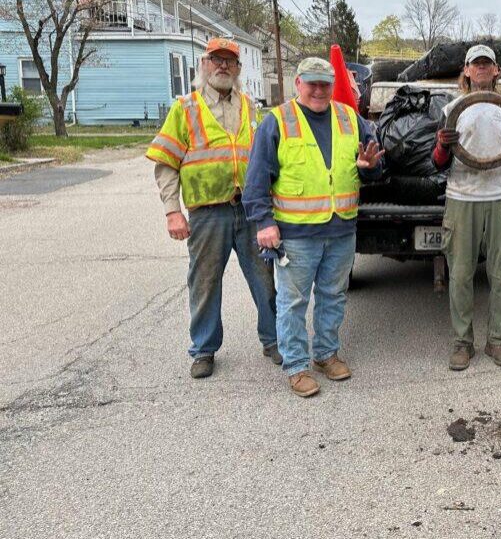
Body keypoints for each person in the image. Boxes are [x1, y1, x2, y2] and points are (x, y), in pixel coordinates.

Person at [243, 57, 383, 397]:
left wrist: (368, 168)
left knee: (333, 296)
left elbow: (375, 167)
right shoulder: (277, 121)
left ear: (333, 86)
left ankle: (325, 354)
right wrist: (264, 222)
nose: (319, 90)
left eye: (325, 83)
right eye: (312, 83)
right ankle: (296, 366)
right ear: (298, 84)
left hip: (340, 230)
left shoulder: (350, 118)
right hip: (296, 233)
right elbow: (256, 178)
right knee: (293, 302)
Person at [146, 37, 278, 379]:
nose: (223, 66)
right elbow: (165, 163)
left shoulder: (250, 107)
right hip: (207, 213)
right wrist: (172, 210)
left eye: (230, 61)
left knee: (265, 279)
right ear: (203, 65)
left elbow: (267, 159)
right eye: (216, 60)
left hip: (250, 211)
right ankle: (204, 349)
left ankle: (274, 340)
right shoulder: (185, 108)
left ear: (237, 69)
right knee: (204, 282)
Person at [432, 44, 501, 371]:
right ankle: (463, 343)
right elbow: (438, 162)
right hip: (462, 196)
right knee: (460, 273)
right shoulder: (453, 109)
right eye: (476, 64)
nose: (482, 69)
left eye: (488, 64)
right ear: (466, 70)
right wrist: (443, 147)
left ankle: (497, 341)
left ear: (497, 71)